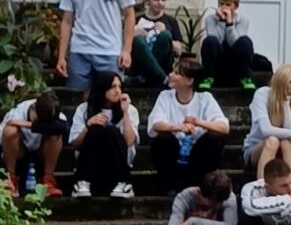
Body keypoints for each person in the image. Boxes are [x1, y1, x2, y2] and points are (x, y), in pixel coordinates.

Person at [147, 58, 230, 194]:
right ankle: (169, 185)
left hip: (197, 157)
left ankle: (203, 184)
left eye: (177, 73)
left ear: (189, 81)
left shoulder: (205, 98)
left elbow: (224, 127)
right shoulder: (165, 96)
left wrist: (198, 122)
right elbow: (155, 124)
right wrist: (177, 127)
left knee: (214, 139)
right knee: (162, 139)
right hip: (174, 154)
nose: (170, 75)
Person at [68, 71, 139, 199]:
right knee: (96, 129)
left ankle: (124, 182)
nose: (117, 91)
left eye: (119, 87)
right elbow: (75, 144)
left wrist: (125, 112)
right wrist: (88, 125)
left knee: (111, 130)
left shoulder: (130, 109)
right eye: (113, 87)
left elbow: (129, 141)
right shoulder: (84, 109)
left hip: (117, 165)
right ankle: (82, 181)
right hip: (93, 164)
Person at [244, 66, 291, 181]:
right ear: (281, 82)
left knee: (286, 142)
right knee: (273, 140)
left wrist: (286, 103)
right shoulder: (262, 94)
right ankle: (261, 185)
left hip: (285, 149)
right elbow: (266, 130)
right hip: (257, 148)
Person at [2, 91, 66, 198]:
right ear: (33, 108)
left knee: (55, 134)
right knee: (10, 131)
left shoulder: (53, 111)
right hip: (19, 155)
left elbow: (63, 128)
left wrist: (31, 125)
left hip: (42, 155)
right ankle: (11, 179)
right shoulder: (17, 112)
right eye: (39, 121)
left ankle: (48, 180)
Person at [199, 0, 258, 90]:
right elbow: (216, 40)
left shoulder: (243, 20)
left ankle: (246, 78)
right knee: (210, 41)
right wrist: (222, 21)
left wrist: (230, 23)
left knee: (245, 41)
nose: (224, 7)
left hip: (234, 61)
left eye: (228, 4)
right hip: (218, 60)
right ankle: (208, 77)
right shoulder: (210, 19)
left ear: (236, 6)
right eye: (221, 4)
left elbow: (235, 43)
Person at [130, 0, 179, 91]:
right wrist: (133, 34)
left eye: (163, 0)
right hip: (139, 64)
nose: (160, 3)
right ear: (148, 1)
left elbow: (178, 51)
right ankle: (163, 78)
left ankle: (145, 77)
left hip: (163, 65)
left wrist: (165, 33)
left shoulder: (171, 21)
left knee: (165, 36)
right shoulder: (137, 19)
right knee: (138, 40)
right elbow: (124, 45)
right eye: (156, 0)